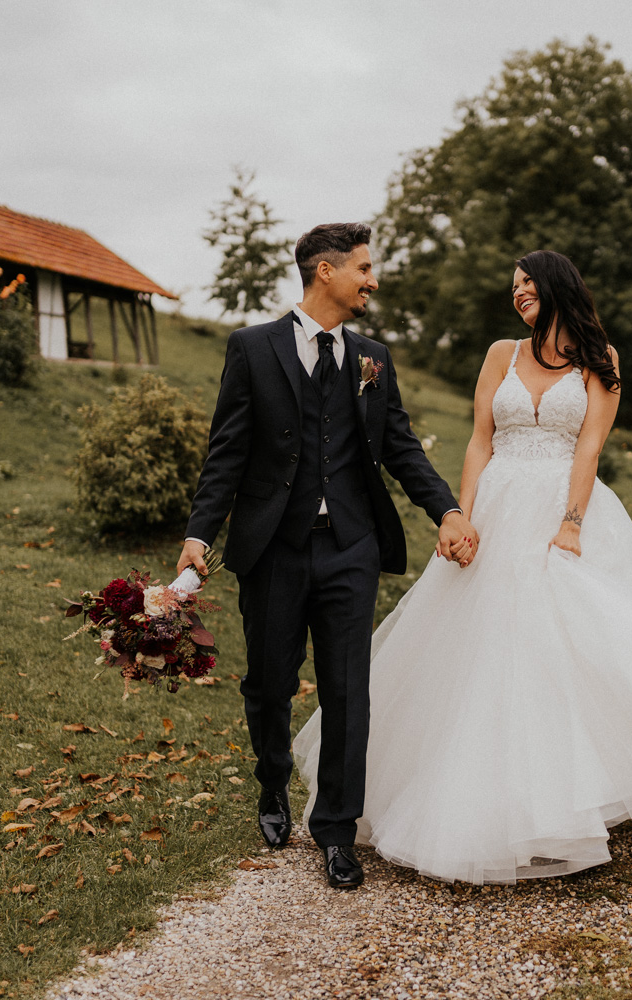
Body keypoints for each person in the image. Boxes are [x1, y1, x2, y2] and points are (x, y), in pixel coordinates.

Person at [293, 250, 632, 885]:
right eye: (515, 288)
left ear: (556, 288)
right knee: (479, 652)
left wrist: (571, 524)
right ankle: (477, 791)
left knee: (567, 649)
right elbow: (479, 440)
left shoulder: (599, 361)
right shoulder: (501, 354)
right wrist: (459, 515)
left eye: (528, 285)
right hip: (495, 508)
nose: (519, 295)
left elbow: (590, 445)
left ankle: (564, 798)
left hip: (560, 507)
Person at [178, 223, 479, 890]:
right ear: (324, 271)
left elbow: (400, 447)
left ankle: (337, 831)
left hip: (351, 548)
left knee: (348, 692)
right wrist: (201, 535)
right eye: (365, 268)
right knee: (269, 685)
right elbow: (225, 453)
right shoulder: (252, 349)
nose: (373, 280)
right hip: (273, 548)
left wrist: (449, 510)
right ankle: (272, 785)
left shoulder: (372, 357)